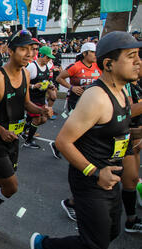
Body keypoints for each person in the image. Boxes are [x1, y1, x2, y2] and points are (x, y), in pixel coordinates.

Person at [30, 31, 142, 249]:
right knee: (97, 241)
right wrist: (95, 172)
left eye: (138, 56)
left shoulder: (123, 91)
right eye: (131, 57)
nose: (138, 62)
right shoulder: (96, 97)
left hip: (110, 176)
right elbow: (63, 141)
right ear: (109, 64)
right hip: (90, 179)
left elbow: (116, 130)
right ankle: (44, 245)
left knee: (112, 232)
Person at [0, 30, 51, 238]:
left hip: (13, 138)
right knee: (11, 186)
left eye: (32, 49)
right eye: (23, 49)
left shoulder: (26, 74)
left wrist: (41, 110)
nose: (29, 53)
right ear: (10, 51)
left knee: (0, 182)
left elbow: (26, 102)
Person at [56, 42, 102, 218]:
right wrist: (72, 87)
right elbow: (60, 78)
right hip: (76, 106)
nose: (95, 55)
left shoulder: (99, 67)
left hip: (92, 107)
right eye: (92, 52)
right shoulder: (76, 66)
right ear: (84, 54)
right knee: (79, 140)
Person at [121, 49, 142, 233]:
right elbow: (126, 112)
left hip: (132, 137)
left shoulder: (137, 83)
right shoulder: (123, 84)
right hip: (120, 137)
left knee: (133, 178)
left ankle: (131, 219)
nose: (138, 64)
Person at [23, 46, 57, 150]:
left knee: (43, 119)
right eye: (47, 57)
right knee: (37, 119)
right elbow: (22, 83)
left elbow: (46, 81)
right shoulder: (32, 67)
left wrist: (50, 86)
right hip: (31, 98)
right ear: (41, 55)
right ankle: (28, 141)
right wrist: (33, 86)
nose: (49, 60)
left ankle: (24, 129)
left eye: (50, 58)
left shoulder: (47, 66)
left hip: (41, 98)